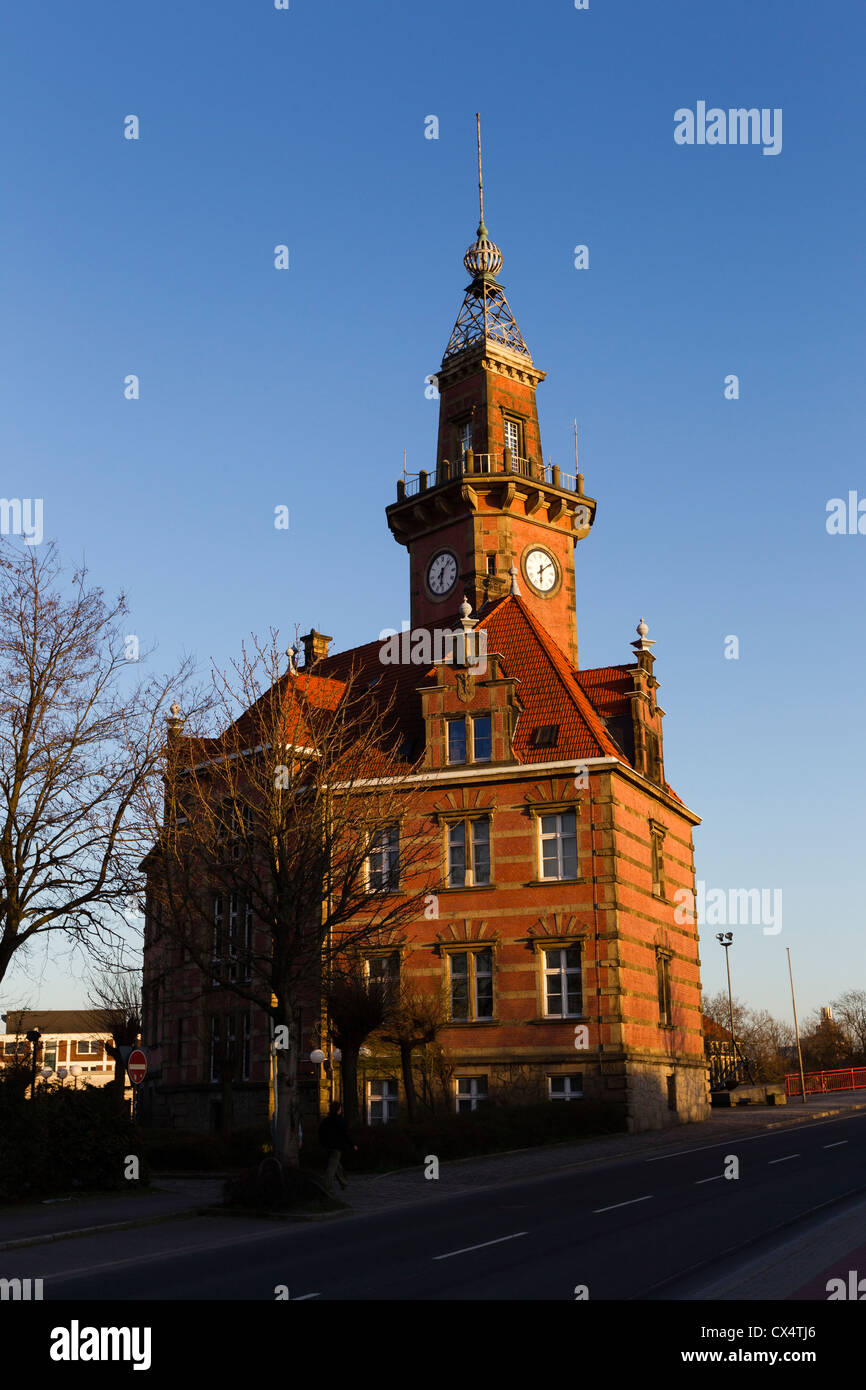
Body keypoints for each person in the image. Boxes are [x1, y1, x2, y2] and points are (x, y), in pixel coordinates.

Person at [318, 1100, 356, 1191]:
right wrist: (352, 1144)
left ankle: (344, 1183)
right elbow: (345, 1134)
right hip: (336, 1147)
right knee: (332, 1167)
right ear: (338, 1110)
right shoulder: (340, 1120)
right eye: (340, 1109)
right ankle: (326, 1185)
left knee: (337, 1166)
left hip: (327, 1147)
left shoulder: (326, 1120)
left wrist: (322, 1144)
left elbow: (320, 1133)